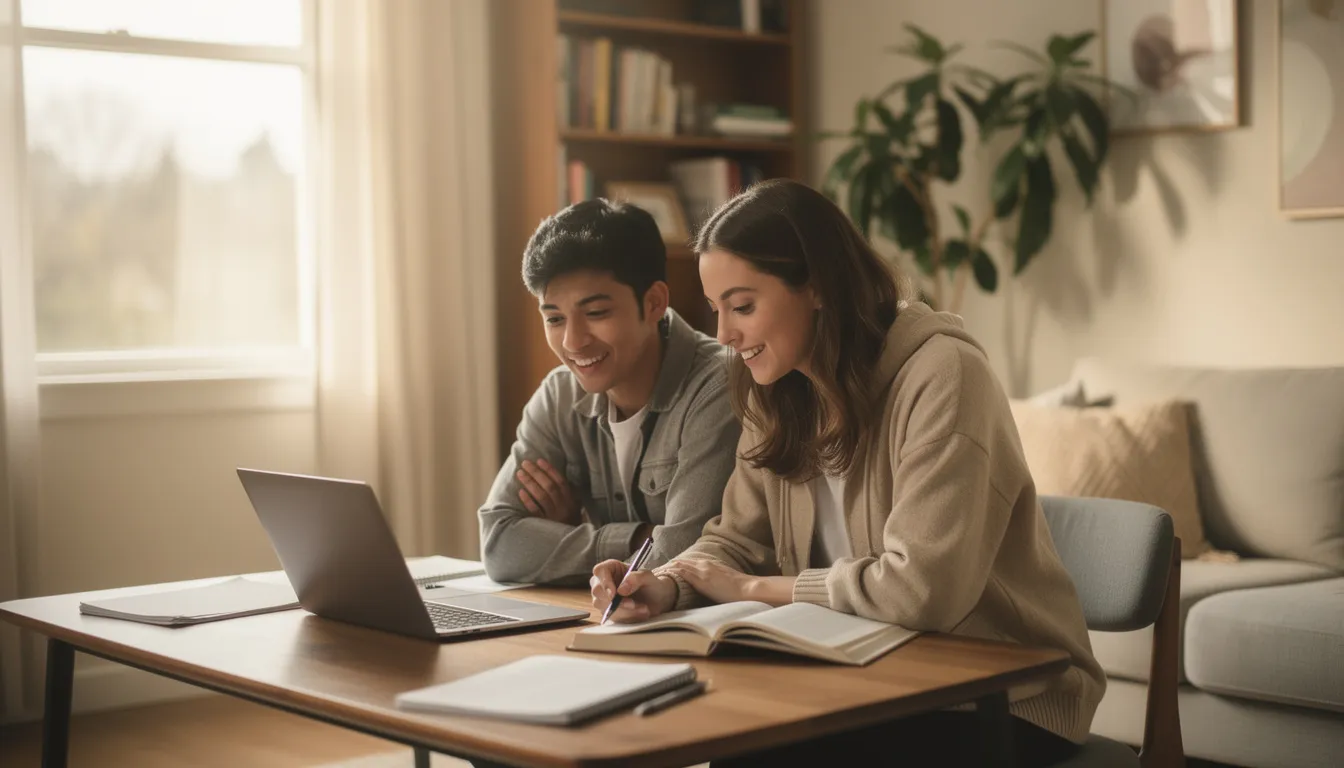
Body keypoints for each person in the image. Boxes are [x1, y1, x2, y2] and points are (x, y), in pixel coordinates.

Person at [589, 179, 1104, 767]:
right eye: (716, 310)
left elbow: (922, 591)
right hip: (868, 679)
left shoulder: (945, 376)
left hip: (1001, 699)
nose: (724, 335)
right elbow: (737, 538)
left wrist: (756, 590)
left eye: (743, 306)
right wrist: (667, 583)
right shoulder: (775, 390)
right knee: (737, 738)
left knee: (768, 750)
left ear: (816, 288)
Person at [478, 198, 741, 585]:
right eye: (554, 318)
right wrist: (635, 535)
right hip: (604, 617)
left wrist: (562, 540)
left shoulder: (718, 385)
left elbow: (680, 557)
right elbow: (499, 545)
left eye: (596, 313)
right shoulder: (559, 396)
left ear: (653, 303)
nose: (573, 341)